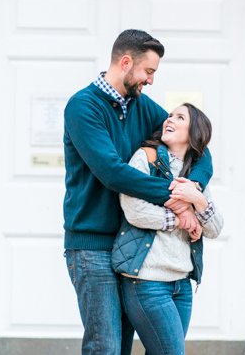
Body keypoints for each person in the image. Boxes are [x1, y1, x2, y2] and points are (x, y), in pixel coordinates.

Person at [63, 29, 213, 355]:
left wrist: (192, 191)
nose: (151, 81)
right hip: (93, 245)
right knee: (106, 347)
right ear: (126, 63)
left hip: (133, 249)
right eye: (149, 72)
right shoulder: (83, 107)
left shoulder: (141, 107)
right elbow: (113, 172)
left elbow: (197, 146)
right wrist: (178, 201)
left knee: (126, 348)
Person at [112, 103, 223, 355]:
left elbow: (215, 228)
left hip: (182, 285)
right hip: (147, 281)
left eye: (179, 117)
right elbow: (134, 211)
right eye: (170, 115)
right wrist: (183, 218)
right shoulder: (146, 157)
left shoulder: (195, 174)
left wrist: (199, 200)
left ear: (194, 132)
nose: (169, 120)